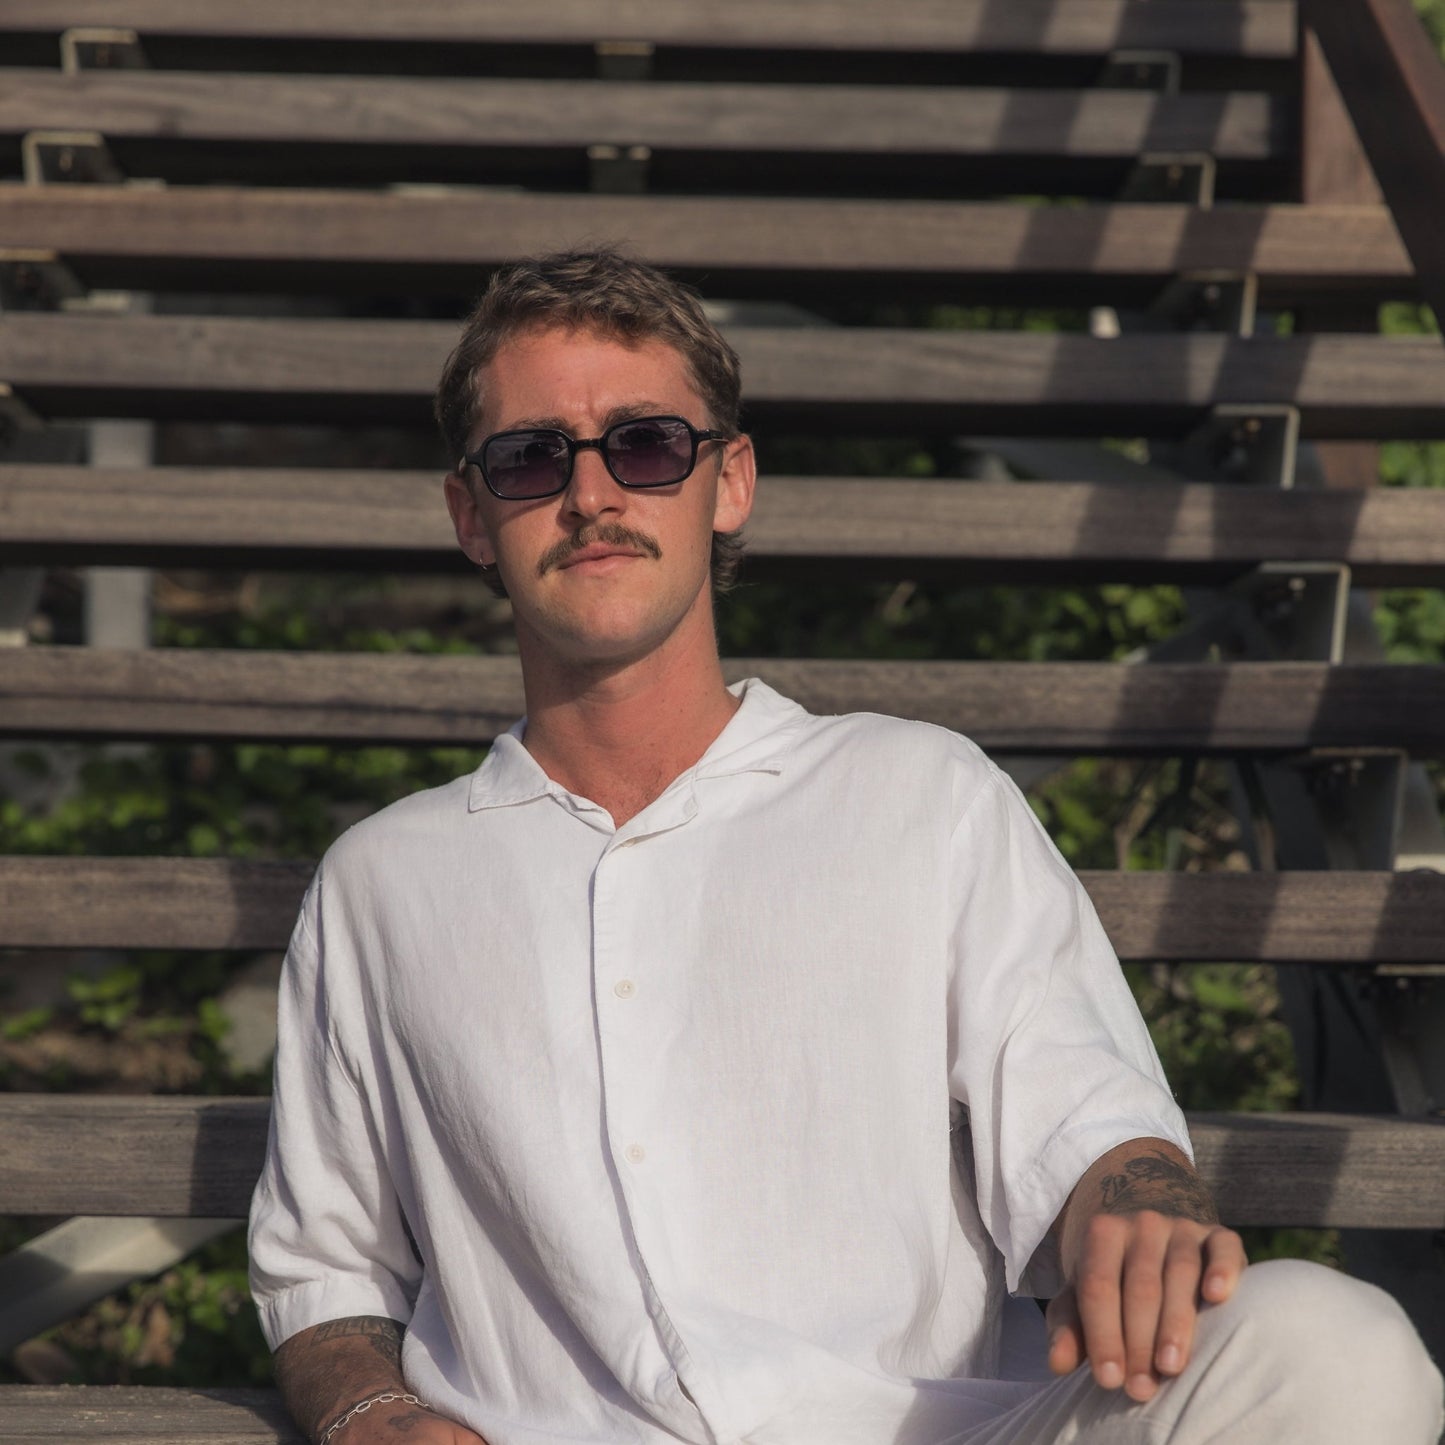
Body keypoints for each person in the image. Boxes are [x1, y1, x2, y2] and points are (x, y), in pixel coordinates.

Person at [248, 250, 1444, 1445]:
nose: (593, 493)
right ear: (471, 513)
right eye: (529, 456)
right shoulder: (383, 884)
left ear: (728, 481)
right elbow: (324, 1274)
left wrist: (1137, 1214)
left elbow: (1087, 1125)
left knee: (1332, 1348)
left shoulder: (920, 795)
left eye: (648, 443)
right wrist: (370, 1412)